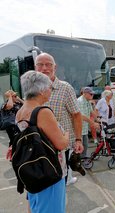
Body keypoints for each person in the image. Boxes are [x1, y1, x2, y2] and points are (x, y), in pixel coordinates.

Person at [16, 70, 69, 213]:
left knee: (36, 207)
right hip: (49, 171)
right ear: (42, 90)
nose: (50, 91)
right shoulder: (42, 112)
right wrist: (67, 134)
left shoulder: (20, 111)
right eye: (50, 88)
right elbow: (61, 144)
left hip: (33, 169)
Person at [35, 53, 83, 186]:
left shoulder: (65, 88)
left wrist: (78, 139)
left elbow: (76, 115)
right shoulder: (32, 89)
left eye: (48, 64)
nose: (44, 68)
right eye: (40, 64)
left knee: (60, 181)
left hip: (61, 146)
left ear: (54, 67)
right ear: (35, 67)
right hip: (39, 145)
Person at [77, 87, 99, 158]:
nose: (92, 96)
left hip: (85, 128)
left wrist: (98, 120)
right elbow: (81, 116)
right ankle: (79, 161)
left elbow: (92, 112)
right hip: (79, 129)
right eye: (91, 94)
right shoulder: (79, 101)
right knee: (80, 147)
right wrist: (92, 123)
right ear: (85, 93)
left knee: (85, 146)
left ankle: (84, 160)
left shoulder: (88, 101)